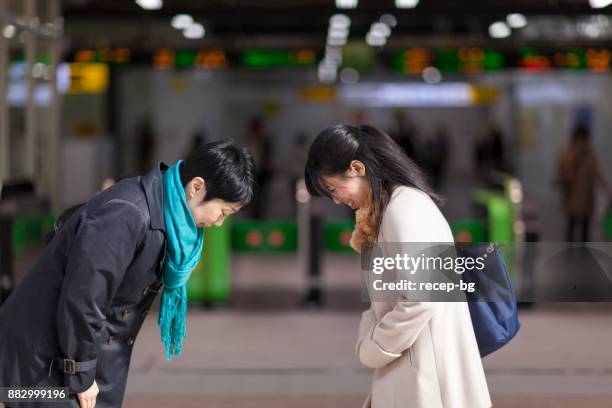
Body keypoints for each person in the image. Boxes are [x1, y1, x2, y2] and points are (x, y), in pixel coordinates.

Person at [0, 141, 256, 408]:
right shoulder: (128, 212)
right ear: (196, 187)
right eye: (223, 211)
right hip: (44, 363)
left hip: (74, 355)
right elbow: (84, 297)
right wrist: (82, 372)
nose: (219, 223)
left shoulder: (163, 213)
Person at [304, 125, 491, 408]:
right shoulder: (396, 206)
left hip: (425, 374)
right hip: (418, 363)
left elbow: (422, 296)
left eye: (333, 188)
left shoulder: (403, 210)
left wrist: (374, 346)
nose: (336, 199)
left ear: (357, 168)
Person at [557, 126, 612, 242]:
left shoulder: (570, 154)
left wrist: (606, 187)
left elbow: (597, 173)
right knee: (579, 225)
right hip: (580, 196)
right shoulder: (575, 155)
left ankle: (575, 250)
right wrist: (606, 188)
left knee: (578, 225)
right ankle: (578, 250)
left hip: (577, 197)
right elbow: (597, 174)